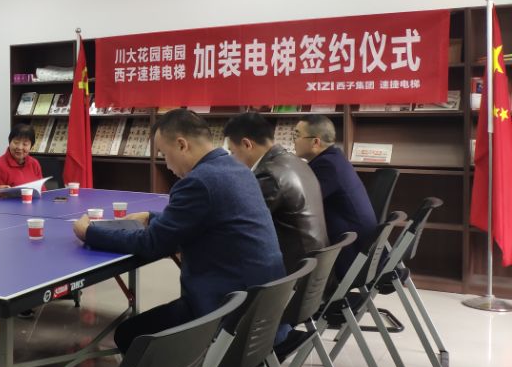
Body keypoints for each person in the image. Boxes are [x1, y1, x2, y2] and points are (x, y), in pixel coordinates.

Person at [72, 109, 284, 353]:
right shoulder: (238, 169)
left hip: (227, 312)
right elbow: (208, 218)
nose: (166, 163)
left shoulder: (198, 181)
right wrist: (152, 217)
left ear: (182, 145)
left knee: (129, 334)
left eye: (164, 153)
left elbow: (152, 244)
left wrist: (89, 233)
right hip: (264, 310)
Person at [223, 112, 329, 272]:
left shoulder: (269, 175)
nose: (233, 159)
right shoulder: (295, 161)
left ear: (247, 144)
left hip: (295, 271)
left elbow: (241, 223)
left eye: (232, 152)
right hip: (314, 264)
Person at [293, 114, 378, 276]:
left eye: (297, 135)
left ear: (315, 142)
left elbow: (301, 204)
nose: (294, 141)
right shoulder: (334, 158)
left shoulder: (326, 165)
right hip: (361, 245)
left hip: (351, 252)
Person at [0, 123, 44, 190]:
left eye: (25, 144)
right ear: (9, 142)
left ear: (31, 146)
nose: (19, 147)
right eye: (16, 142)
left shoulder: (34, 164)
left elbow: (42, 190)